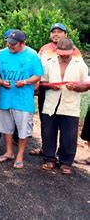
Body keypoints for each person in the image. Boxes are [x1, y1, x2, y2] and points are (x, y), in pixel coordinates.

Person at [30, 23, 83, 156]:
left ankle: (62, 152)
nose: (56, 34)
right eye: (53, 32)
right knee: (47, 123)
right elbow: (37, 68)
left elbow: (80, 74)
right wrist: (36, 86)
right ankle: (46, 149)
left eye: (59, 32)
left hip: (67, 94)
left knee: (66, 125)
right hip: (46, 90)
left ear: (66, 34)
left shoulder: (74, 51)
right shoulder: (44, 49)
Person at [0, 30, 43, 169]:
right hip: (5, 97)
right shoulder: (1, 54)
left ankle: (20, 155)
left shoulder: (32, 55)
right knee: (6, 127)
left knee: (23, 129)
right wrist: (1, 82)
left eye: (14, 44)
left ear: (23, 43)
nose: (10, 46)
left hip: (23, 100)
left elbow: (38, 75)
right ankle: (9, 152)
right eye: (9, 43)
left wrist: (26, 82)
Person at [39, 38, 88, 175]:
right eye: (61, 53)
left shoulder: (80, 65)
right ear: (56, 51)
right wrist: (50, 86)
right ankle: (49, 159)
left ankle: (66, 162)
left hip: (70, 105)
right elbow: (42, 83)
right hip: (51, 104)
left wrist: (78, 87)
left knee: (69, 136)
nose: (64, 56)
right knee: (48, 132)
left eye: (67, 53)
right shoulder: (50, 63)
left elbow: (87, 84)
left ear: (72, 51)